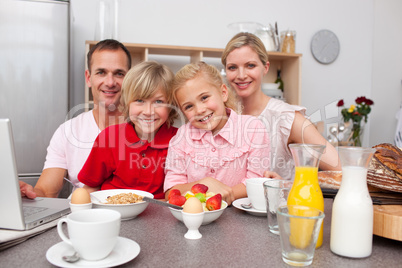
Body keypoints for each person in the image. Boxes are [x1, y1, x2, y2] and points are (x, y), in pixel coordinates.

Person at [19, 39, 132, 199]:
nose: (110, 82)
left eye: (119, 74)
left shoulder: (146, 127)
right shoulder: (67, 132)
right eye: (101, 72)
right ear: (88, 78)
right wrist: (27, 194)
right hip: (80, 220)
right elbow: (46, 192)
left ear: (130, 79)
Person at [221, 32, 341, 180]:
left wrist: (288, 186)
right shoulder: (220, 116)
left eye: (250, 65)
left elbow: (339, 170)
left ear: (265, 68)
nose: (241, 75)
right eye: (232, 67)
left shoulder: (287, 118)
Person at [164, 62, 275, 205]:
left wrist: (217, 195)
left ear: (223, 93)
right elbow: (171, 192)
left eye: (204, 98)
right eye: (189, 106)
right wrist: (205, 183)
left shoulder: (253, 129)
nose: (199, 110)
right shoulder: (182, 137)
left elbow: (256, 183)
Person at [78, 61, 178, 199]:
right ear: (126, 102)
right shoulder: (108, 138)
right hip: (113, 212)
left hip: (160, 216)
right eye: (139, 100)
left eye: (158, 102)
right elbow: (90, 186)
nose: (148, 112)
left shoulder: (179, 140)